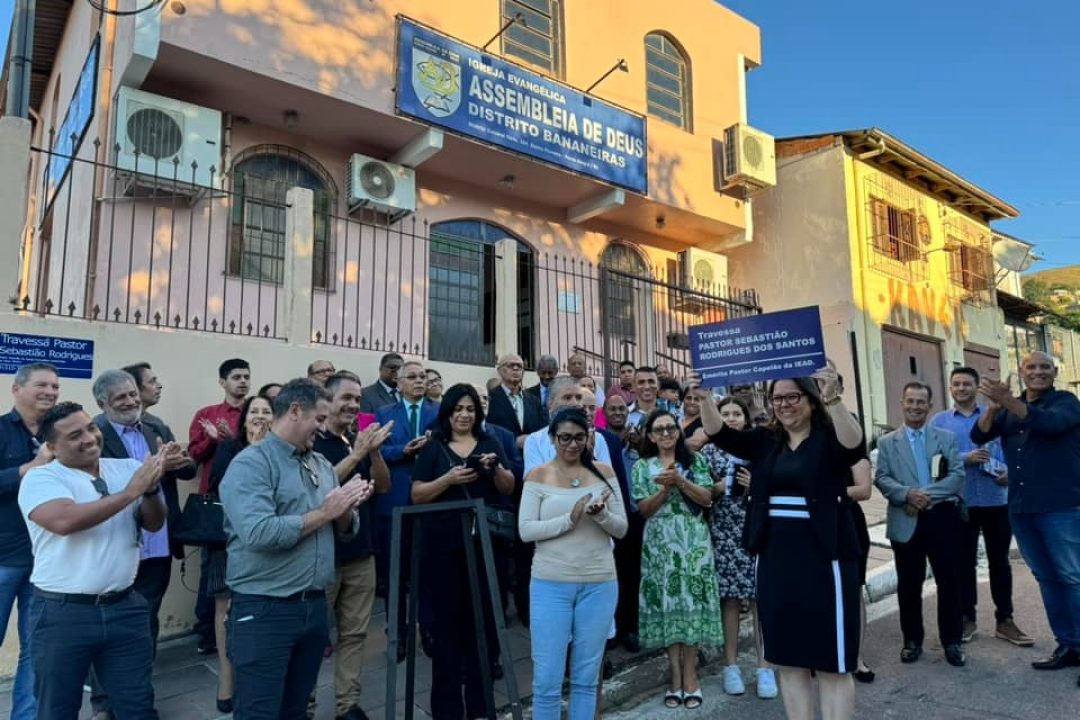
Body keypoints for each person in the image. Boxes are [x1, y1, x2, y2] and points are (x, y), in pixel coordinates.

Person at [697, 369, 866, 720]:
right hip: (775, 559)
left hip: (826, 558)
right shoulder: (765, 440)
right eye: (778, 398)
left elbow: (854, 445)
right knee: (789, 660)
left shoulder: (829, 436)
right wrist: (703, 397)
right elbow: (718, 433)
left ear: (809, 398)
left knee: (834, 662)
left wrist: (833, 397)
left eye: (793, 397)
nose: (785, 405)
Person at [219, 378, 373, 719]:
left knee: (296, 709)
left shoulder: (319, 464)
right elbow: (259, 532)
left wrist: (346, 512)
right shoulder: (251, 464)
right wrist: (325, 513)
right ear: (293, 411)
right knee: (260, 711)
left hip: (313, 607)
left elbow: (344, 530)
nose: (323, 427)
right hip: (265, 610)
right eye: (319, 419)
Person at [19, 401, 168, 719]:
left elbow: (153, 523)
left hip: (124, 608)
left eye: (91, 427)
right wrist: (132, 492)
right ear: (51, 446)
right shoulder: (40, 479)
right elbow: (65, 521)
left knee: (137, 706)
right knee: (57, 708)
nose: (89, 438)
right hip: (62, 614)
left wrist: (152, 488)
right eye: (75, 435)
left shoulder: (127, 468)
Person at [88, 369, 197, 719]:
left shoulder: (156, 428)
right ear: (102, 403)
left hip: (156, 540)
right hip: (115, 541)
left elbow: (187, 470)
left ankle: (137, 692)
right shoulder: (93, 433)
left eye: (133, 393)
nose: (131, 401)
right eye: (121, 397)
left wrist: (179, 463)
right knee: (106, 626)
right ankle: (104, 703)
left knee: (145, 620)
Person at [971, 351, 1080, 682]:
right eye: (1031, 367)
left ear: (1055, 371)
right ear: (1021, 371)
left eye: (1044, 367)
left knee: (1073, 578)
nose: (1037, 372)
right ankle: (1069, 645)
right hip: (1021, 508)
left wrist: (1008, 401)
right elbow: (980, 436)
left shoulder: (1066, 401)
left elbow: (1048, 423)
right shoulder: (1009, 405)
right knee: (1047, 579)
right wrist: (993, 407)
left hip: (1061, 507)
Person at [411, 384, 516, 719]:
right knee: (447, 632)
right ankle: (447, 710)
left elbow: (509, 486)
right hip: (444, 551)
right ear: (448, 412)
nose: (464, 414)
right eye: (458, 409)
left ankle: (481, 706)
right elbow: (417, 495)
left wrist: (496, 467)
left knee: (484, 628)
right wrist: (449, 479)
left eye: (470, 408)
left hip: (486, 550)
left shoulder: (489, 442)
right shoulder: (434, 447)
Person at [520, 408, 627, 720]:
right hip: (550, 583)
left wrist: (601, 515)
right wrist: (569, 520)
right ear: (553, 438)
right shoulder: (538, 475)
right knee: (547, 679)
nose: (572, 444)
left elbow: (621, 528)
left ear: (588, 437)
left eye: (579, 437)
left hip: (599, 582)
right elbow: (526, 530)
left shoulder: (604, 472)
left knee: (585, 678)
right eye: (564, 437)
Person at [930, 367, 1032, 648]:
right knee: (963, 564)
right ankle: (967, 618)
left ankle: (1005, 621)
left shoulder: (996, 416)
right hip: (959, 503)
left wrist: (1013, 472)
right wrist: (966, 457)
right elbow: (935, 463)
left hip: (996, 500)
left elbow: (1017, 449)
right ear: (950, 388)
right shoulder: (939, 421)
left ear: (976, 387)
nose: (961, 388)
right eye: (956, 384)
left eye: (966, 384)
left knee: (1000, 563)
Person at [313, 371, 392, 720]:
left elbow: (384, 486)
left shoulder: (356, 442)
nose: (353, 405)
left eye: (358, 400)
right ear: (326, 401)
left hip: (361, 553)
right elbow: (316, 490)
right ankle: (305, 704)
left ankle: (348, 705)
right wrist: (358, 450)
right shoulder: (310, 442)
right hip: (322, 556)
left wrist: (372, 454)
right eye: (346, 397)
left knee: (355, 634)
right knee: (314, 637)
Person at [632, 409, 721, 710]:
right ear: (650, 435)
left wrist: (681, 482)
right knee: (669, 607)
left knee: (691, 604)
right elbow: (644, 510)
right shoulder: (642, 467)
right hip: (660, 545)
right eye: (659, 429)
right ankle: (675, 675)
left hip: (693, 542)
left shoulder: (694, 462)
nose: (666, 434)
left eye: (671, 428)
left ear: (678, 432)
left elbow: (707, 498)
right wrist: (665, 488)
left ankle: (691, 674)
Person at [875, 382, 967, 667]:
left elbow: (957, 475)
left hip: (942, 518)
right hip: (906, 518)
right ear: (902, 403)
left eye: (921, 402)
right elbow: (882, 477)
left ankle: (952, 641)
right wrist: (906, 495)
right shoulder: (887, 443)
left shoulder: (946, 438)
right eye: (910, 401)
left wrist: (924, 495)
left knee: (949, 582)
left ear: (930, 406)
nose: (915, 407)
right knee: (909, 585)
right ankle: (912, 641)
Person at [701, 396, 775, 699]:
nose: (731, 418)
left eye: (736, 413)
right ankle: (730, 665)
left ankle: (764, 666)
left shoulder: (759, 447)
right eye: (725, 413)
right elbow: (701, 493)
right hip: (724, 530)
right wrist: (718, 488)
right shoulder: (708, 452)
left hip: (757, 528)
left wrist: (756, 482)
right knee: (730, 601)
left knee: (761, 600)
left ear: (745, 419)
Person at [204, 394, 274, 712]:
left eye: (266, 411)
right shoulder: (230, 448)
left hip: (266, 544)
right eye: (254, 411)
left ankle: (253, 674)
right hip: (229, 541)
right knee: (225, 609)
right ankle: (226, 677)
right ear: (243, 419)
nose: (260, 416)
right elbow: (222, 487)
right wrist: (254, 448)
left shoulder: (280, 450)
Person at [0, 362, 59, 720]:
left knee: (36, 649)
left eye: (55, 386)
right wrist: (28, 468)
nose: (50, 392)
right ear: (17, 389)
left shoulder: (61, 433)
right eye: (42, 385)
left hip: (45, 560)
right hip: (4, 557)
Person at [375, 361, 438, 658]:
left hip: (429, 499)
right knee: (395, 571)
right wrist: (404, 450)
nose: (418, 381)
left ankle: (428, 627)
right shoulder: (384, 414)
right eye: (411, 377)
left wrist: (430, 448)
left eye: (422, 377)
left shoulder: (438, 412)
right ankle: (397, 631)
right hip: (395, 501)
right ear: (398, 383)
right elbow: (376, 452)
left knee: (427, 569)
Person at [188, 357, 249, 655]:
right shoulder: (207, 414)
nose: (242, 382)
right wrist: (215, 441)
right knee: (211, 570)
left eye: (246, 377)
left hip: (249, 502)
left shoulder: (254, 413)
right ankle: (206, 632)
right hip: (215, 502)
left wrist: (232, 440)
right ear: (222, 381)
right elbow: (193, 457)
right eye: (236, 377)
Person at [486, 354, 546, 450]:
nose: (515, 368)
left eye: (519, 366)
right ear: (500, 371)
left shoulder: (534, 401)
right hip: (503, 456)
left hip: (531, 456)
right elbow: (487, 430)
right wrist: (513, 441)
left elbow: (543, 429)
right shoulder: (490, 398)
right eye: (510, 365)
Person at [626, 366, 660, 432]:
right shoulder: (625, 414)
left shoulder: (670, 412)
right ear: (633, 386)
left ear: (658, 385)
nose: (647, 387)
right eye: (641, 382)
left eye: (651, 381)